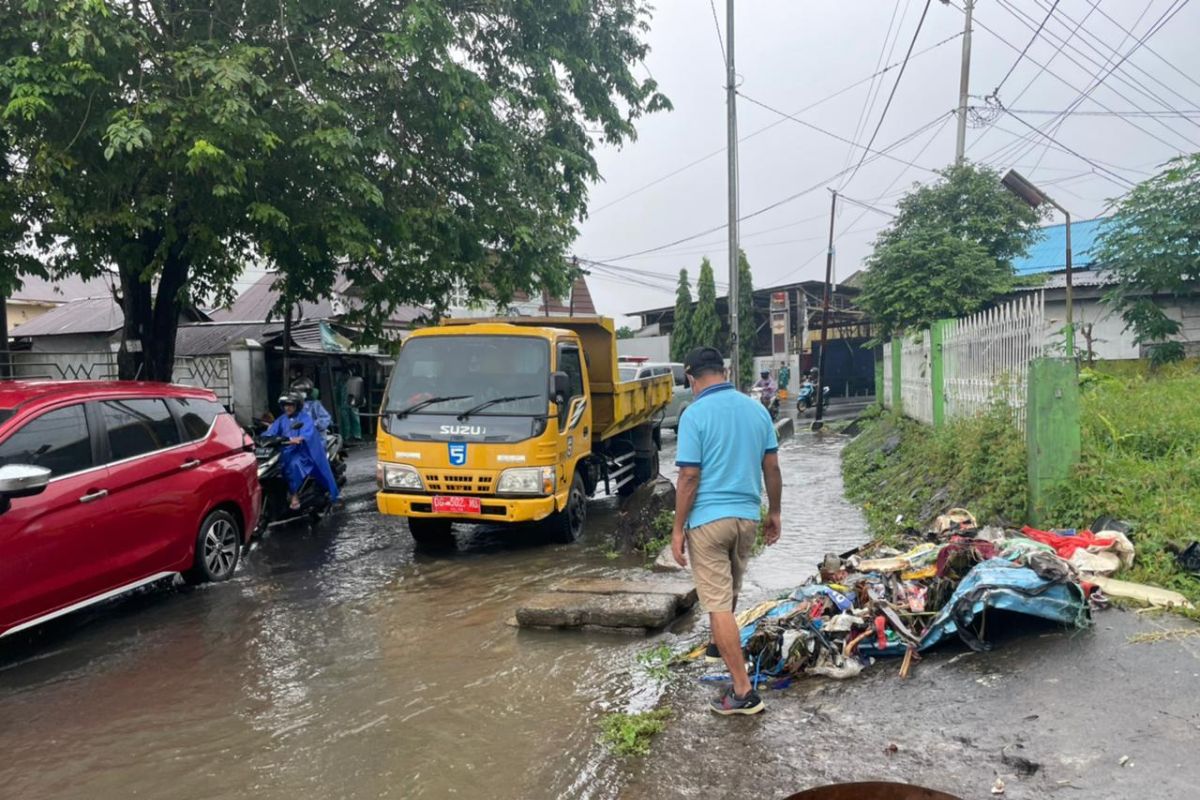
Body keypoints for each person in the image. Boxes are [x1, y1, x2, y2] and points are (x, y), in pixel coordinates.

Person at [672, 346, 783, 716]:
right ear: (723, 371)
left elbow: (689, 476)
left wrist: (676, 530)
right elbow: (772, 468)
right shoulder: (756, 409)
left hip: (708, 522)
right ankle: (719, 646)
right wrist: (776, 513)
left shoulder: (694, 414)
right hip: (746, 519)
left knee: (717, 603)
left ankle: (742, 691)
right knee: (728, 593)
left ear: (691, 378)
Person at [265, 393, 340, 510]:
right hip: (285, 451)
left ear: (296, 406)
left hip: (303, 452)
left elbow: (307, 434)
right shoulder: (281, 419)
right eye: (285, 405)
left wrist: (298, 439)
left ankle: (294, 495)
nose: (287, 408)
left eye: (290, 405)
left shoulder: (305, 418)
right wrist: (262, 438)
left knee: (293, 465)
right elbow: (270, 432)